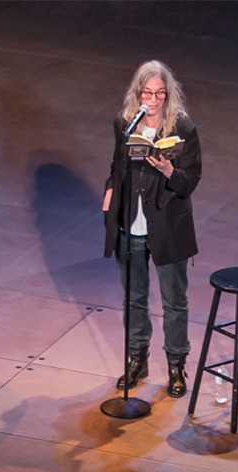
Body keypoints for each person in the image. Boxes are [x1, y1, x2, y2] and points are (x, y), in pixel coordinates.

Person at [102, 60, 202, 398]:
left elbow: (191, 181)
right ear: (138, 93)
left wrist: (170, 170)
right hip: (131, 224)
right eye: (148, 93)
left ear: (168, 94)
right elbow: (117, 165)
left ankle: (176, 365)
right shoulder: (125, 124)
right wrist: (110, 192)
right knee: (135, 298)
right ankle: (137, 359)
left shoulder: (183, 128)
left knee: (175, 301)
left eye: (160, 93)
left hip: (167, 227)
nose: (154, 100)